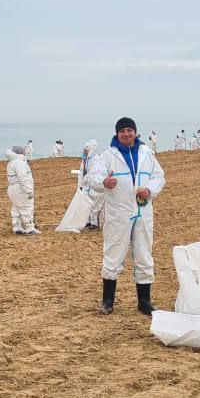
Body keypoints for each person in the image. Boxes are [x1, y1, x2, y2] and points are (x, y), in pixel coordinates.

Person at [84, 117, 166, 315]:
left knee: (144, 254)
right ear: (117, 134)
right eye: (122, 131)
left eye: (130, 130)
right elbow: (92, 177)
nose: (126, 134)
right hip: (118, 213)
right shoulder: (108, 156)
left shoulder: (147, 154)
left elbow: (159, 177)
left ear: (135, 132)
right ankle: (107, 301)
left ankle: (144, 301)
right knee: (113, 253)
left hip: (143, 211)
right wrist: (104, 182)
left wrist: (149, 190)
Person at [5, 146, 39, 235]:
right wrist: (29, 191)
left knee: (16, 207)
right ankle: (29, 229)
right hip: (20, 189)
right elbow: (23, 178)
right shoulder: (19, 163)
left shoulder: (12, 162)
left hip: (13, 189)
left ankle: (17, 227)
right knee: (27, 207)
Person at [78, 139, 106, 230]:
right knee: (87, 204)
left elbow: (93, 173)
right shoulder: (85, 160)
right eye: (84, 150)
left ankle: (95, 223)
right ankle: (88, 221)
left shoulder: (96, 160)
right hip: (87, 186)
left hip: (95, 185)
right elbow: (82, 173)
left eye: (86, 150)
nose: (85, 151)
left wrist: (87, 180)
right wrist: (81, 185)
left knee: (96, 205)